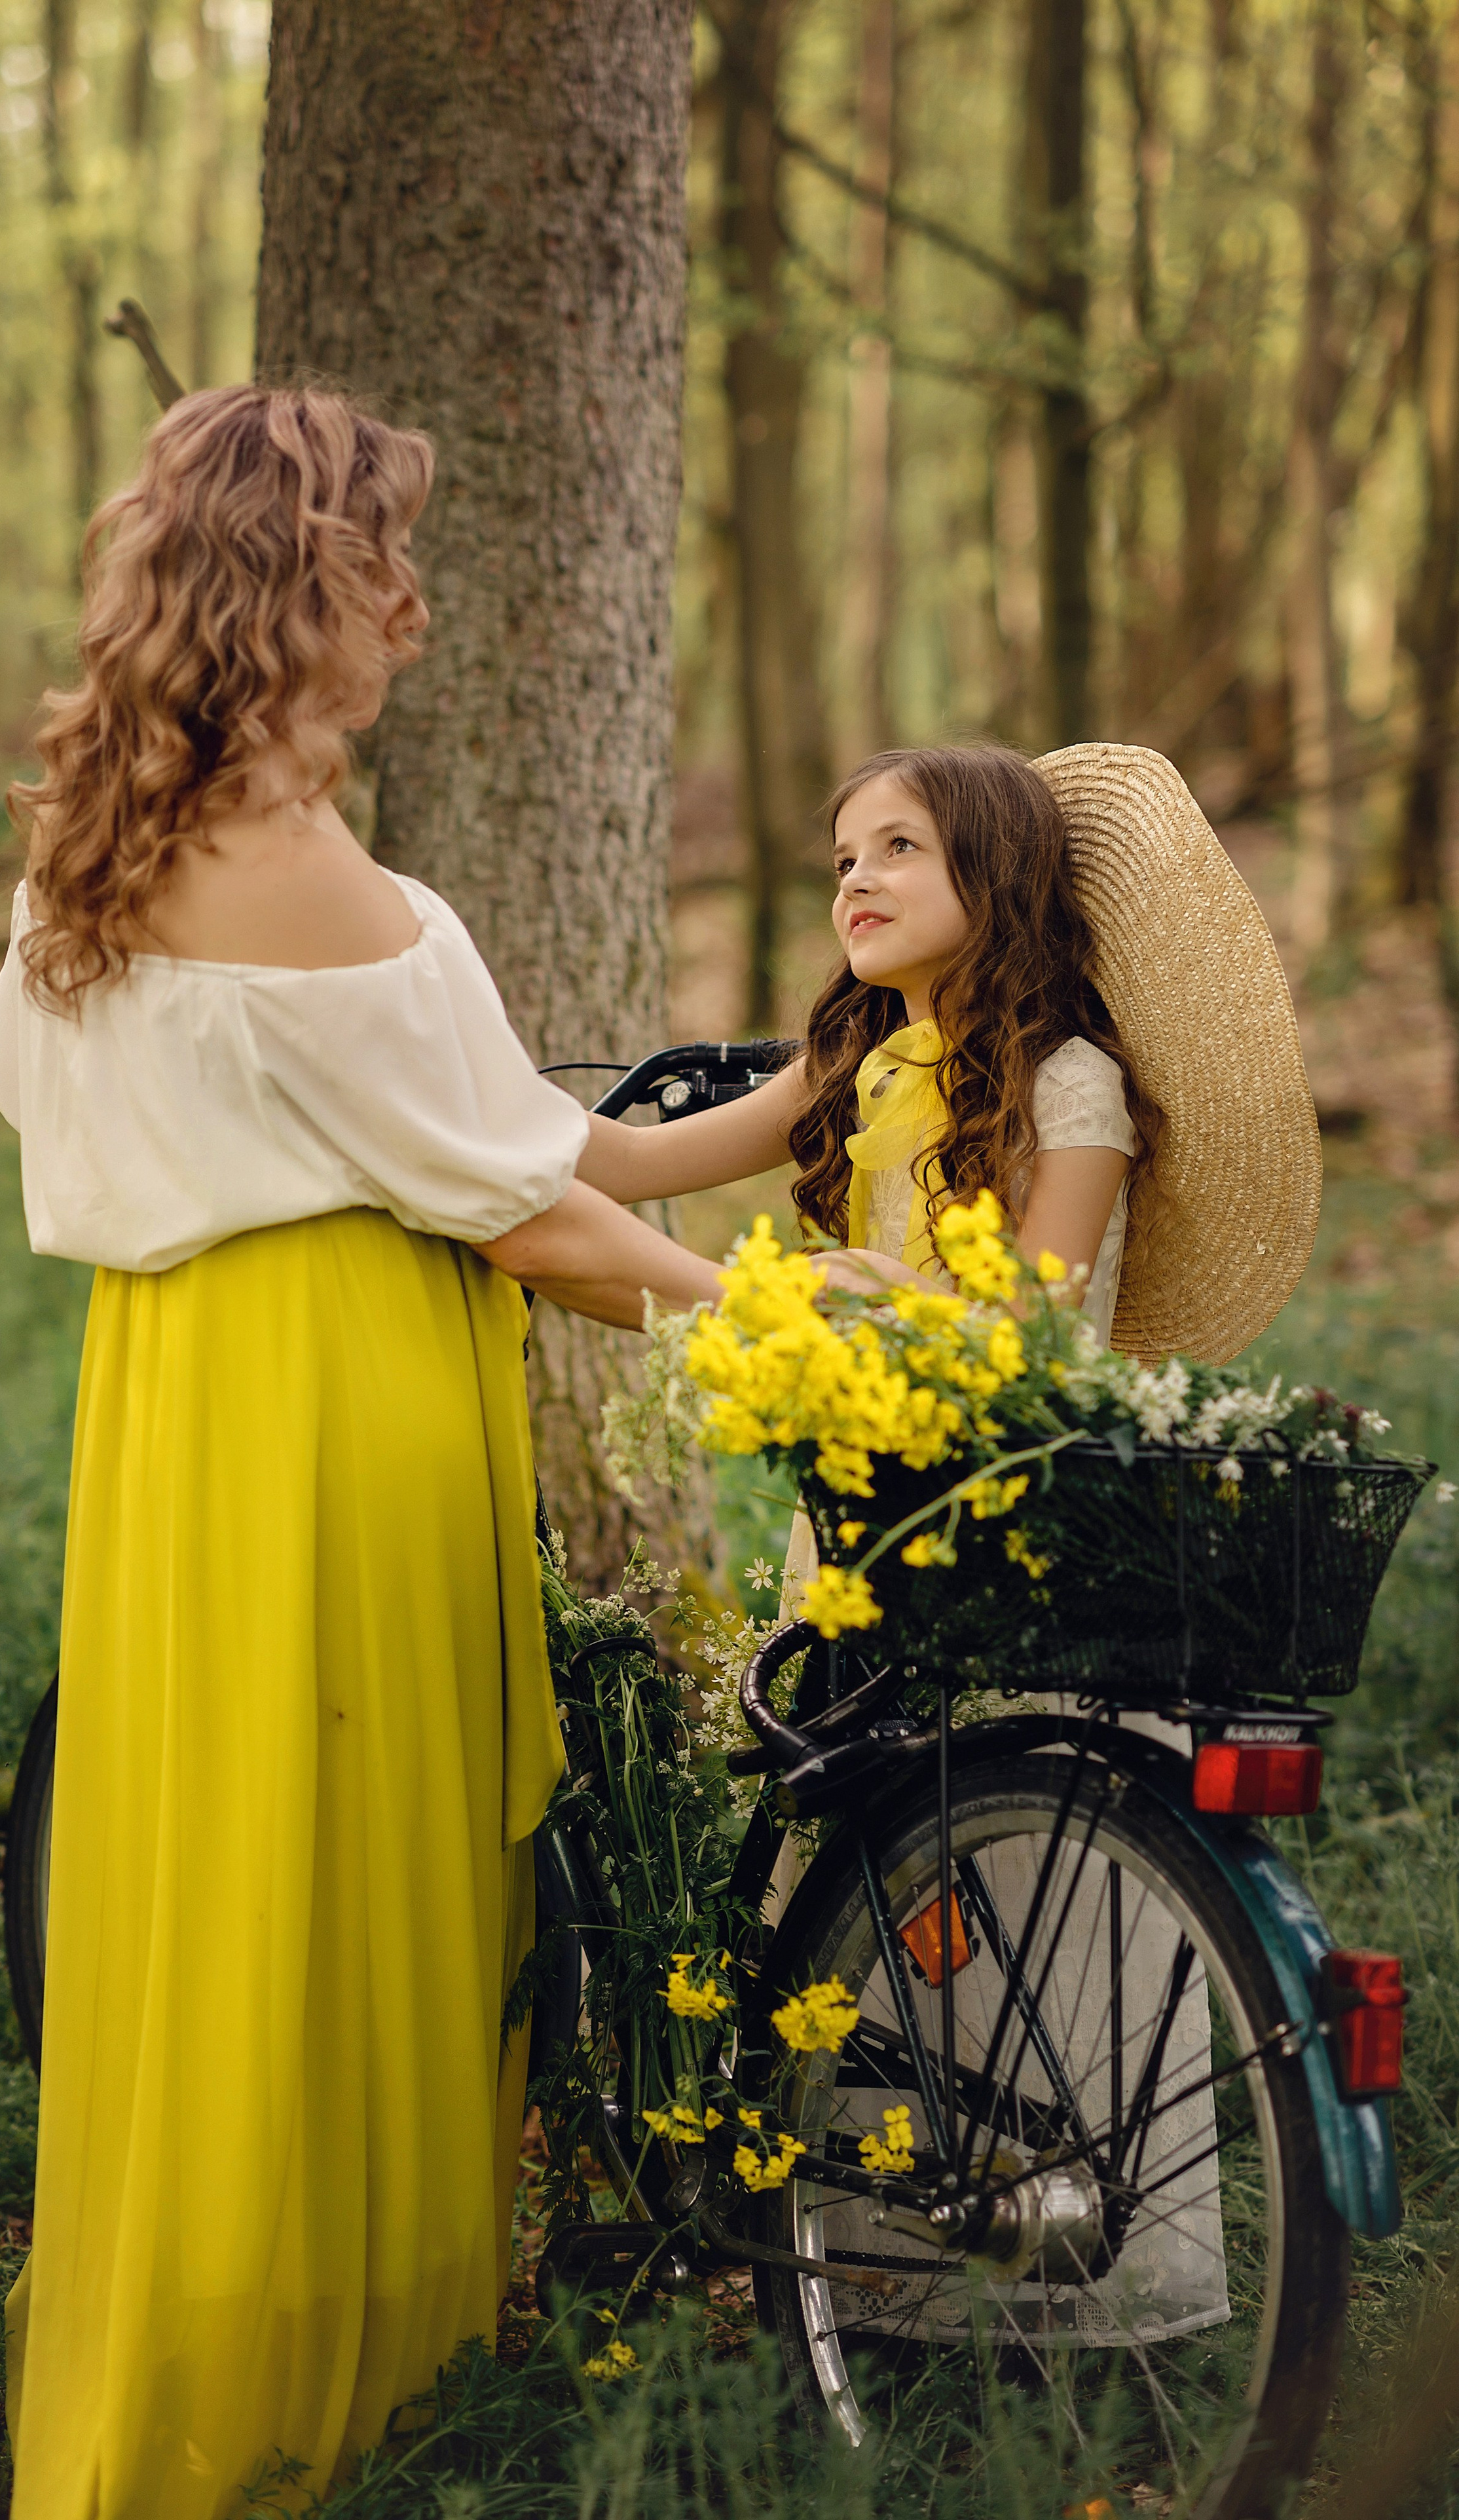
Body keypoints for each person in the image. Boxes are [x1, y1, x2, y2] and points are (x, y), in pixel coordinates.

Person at [0, 383, 735, 2520]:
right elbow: (520, 1207)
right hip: (335, 1403)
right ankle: (337, 2393)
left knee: (214, 1882)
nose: (413, 604)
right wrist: (759, 1313)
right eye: (382, 561)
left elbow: (503, 1136)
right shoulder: (316, 879)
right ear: (294, 588)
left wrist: (783, 1114)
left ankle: (224, 2338)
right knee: (342, 1889)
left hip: (179, 1407)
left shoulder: (94, 848)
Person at [578, 736, 1323, 2348]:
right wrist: (427, 1094)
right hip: (865, 1522)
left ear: (995, 875)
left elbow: (1030, 1326)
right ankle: (880, 2273)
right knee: (870, 1876)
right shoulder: (854, 1066)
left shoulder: (1070, 1081)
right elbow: (628, 1163)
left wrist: (862, 1292)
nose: (855, 877)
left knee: (1013, 1873)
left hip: (1007, 1529)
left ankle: (1057, 2274)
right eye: (844, 854)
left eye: (899, 848)